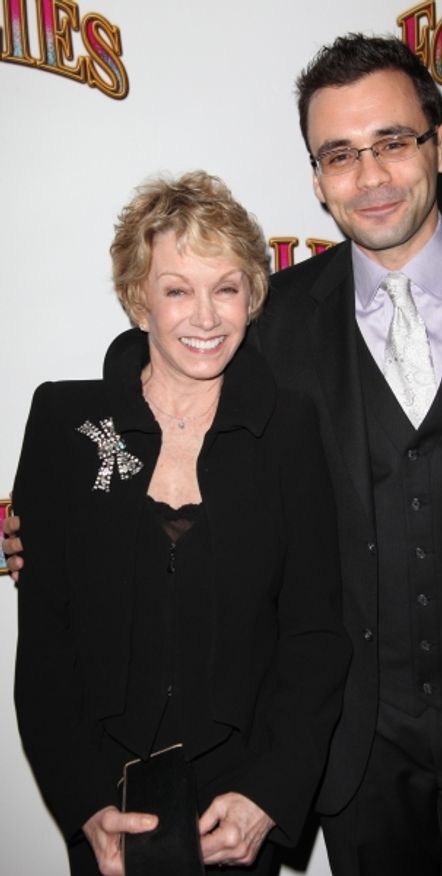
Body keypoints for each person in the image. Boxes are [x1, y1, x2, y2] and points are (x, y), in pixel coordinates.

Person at [5, 32, 442, 876]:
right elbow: (166, 351)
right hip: (356, 738)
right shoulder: (277, 317)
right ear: (317, 180)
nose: (371, 175)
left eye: (393, 142)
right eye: (340, 155)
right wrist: (67, 486)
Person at [8, 170, 349, 876]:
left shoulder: (290, 429)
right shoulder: (66, 423)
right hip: (107, 796)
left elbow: (314, 637)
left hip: (237, 800)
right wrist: (82, 802)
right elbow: (46, 644)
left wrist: (268, 793)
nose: (205, 316)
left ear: (252, 296)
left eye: (226, 287)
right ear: (140, 302)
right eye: (176, 289)